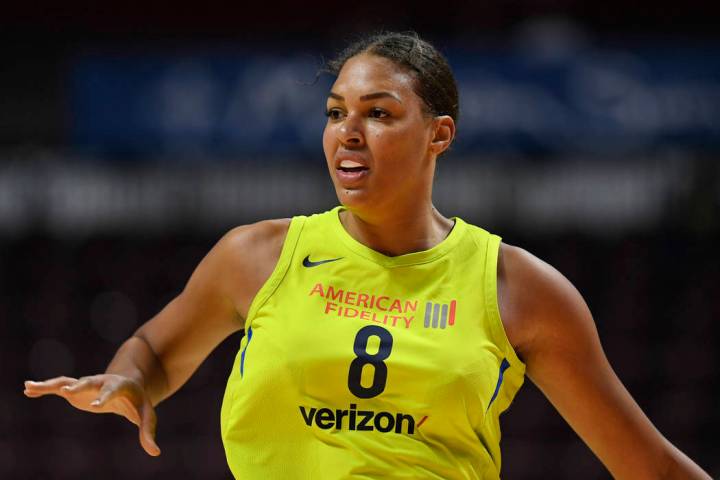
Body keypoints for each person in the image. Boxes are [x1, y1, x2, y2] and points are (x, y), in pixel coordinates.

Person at [24, 32, 710, 479]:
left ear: (439, 134)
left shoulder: (518, 287)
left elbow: (647, 465)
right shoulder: (258, 255)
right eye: (334, 112)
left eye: (378, 113)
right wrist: (127, 381)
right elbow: (153, 349)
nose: (347, 132)